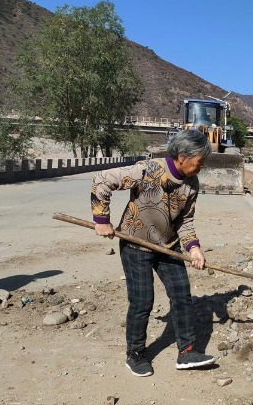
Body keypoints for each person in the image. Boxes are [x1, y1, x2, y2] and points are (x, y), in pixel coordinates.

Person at [91, 129, 217, 377]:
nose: (202, 166)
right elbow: (102, 179)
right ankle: (135, 354)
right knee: (142, 301)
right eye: (200, 161)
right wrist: (101, 219)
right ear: (182, 156)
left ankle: (187, 352)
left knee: (182, 296)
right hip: (135, 245)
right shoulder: (147, 170)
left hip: (168, 246)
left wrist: (194, 248)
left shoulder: (191, 184)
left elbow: (186, 221)